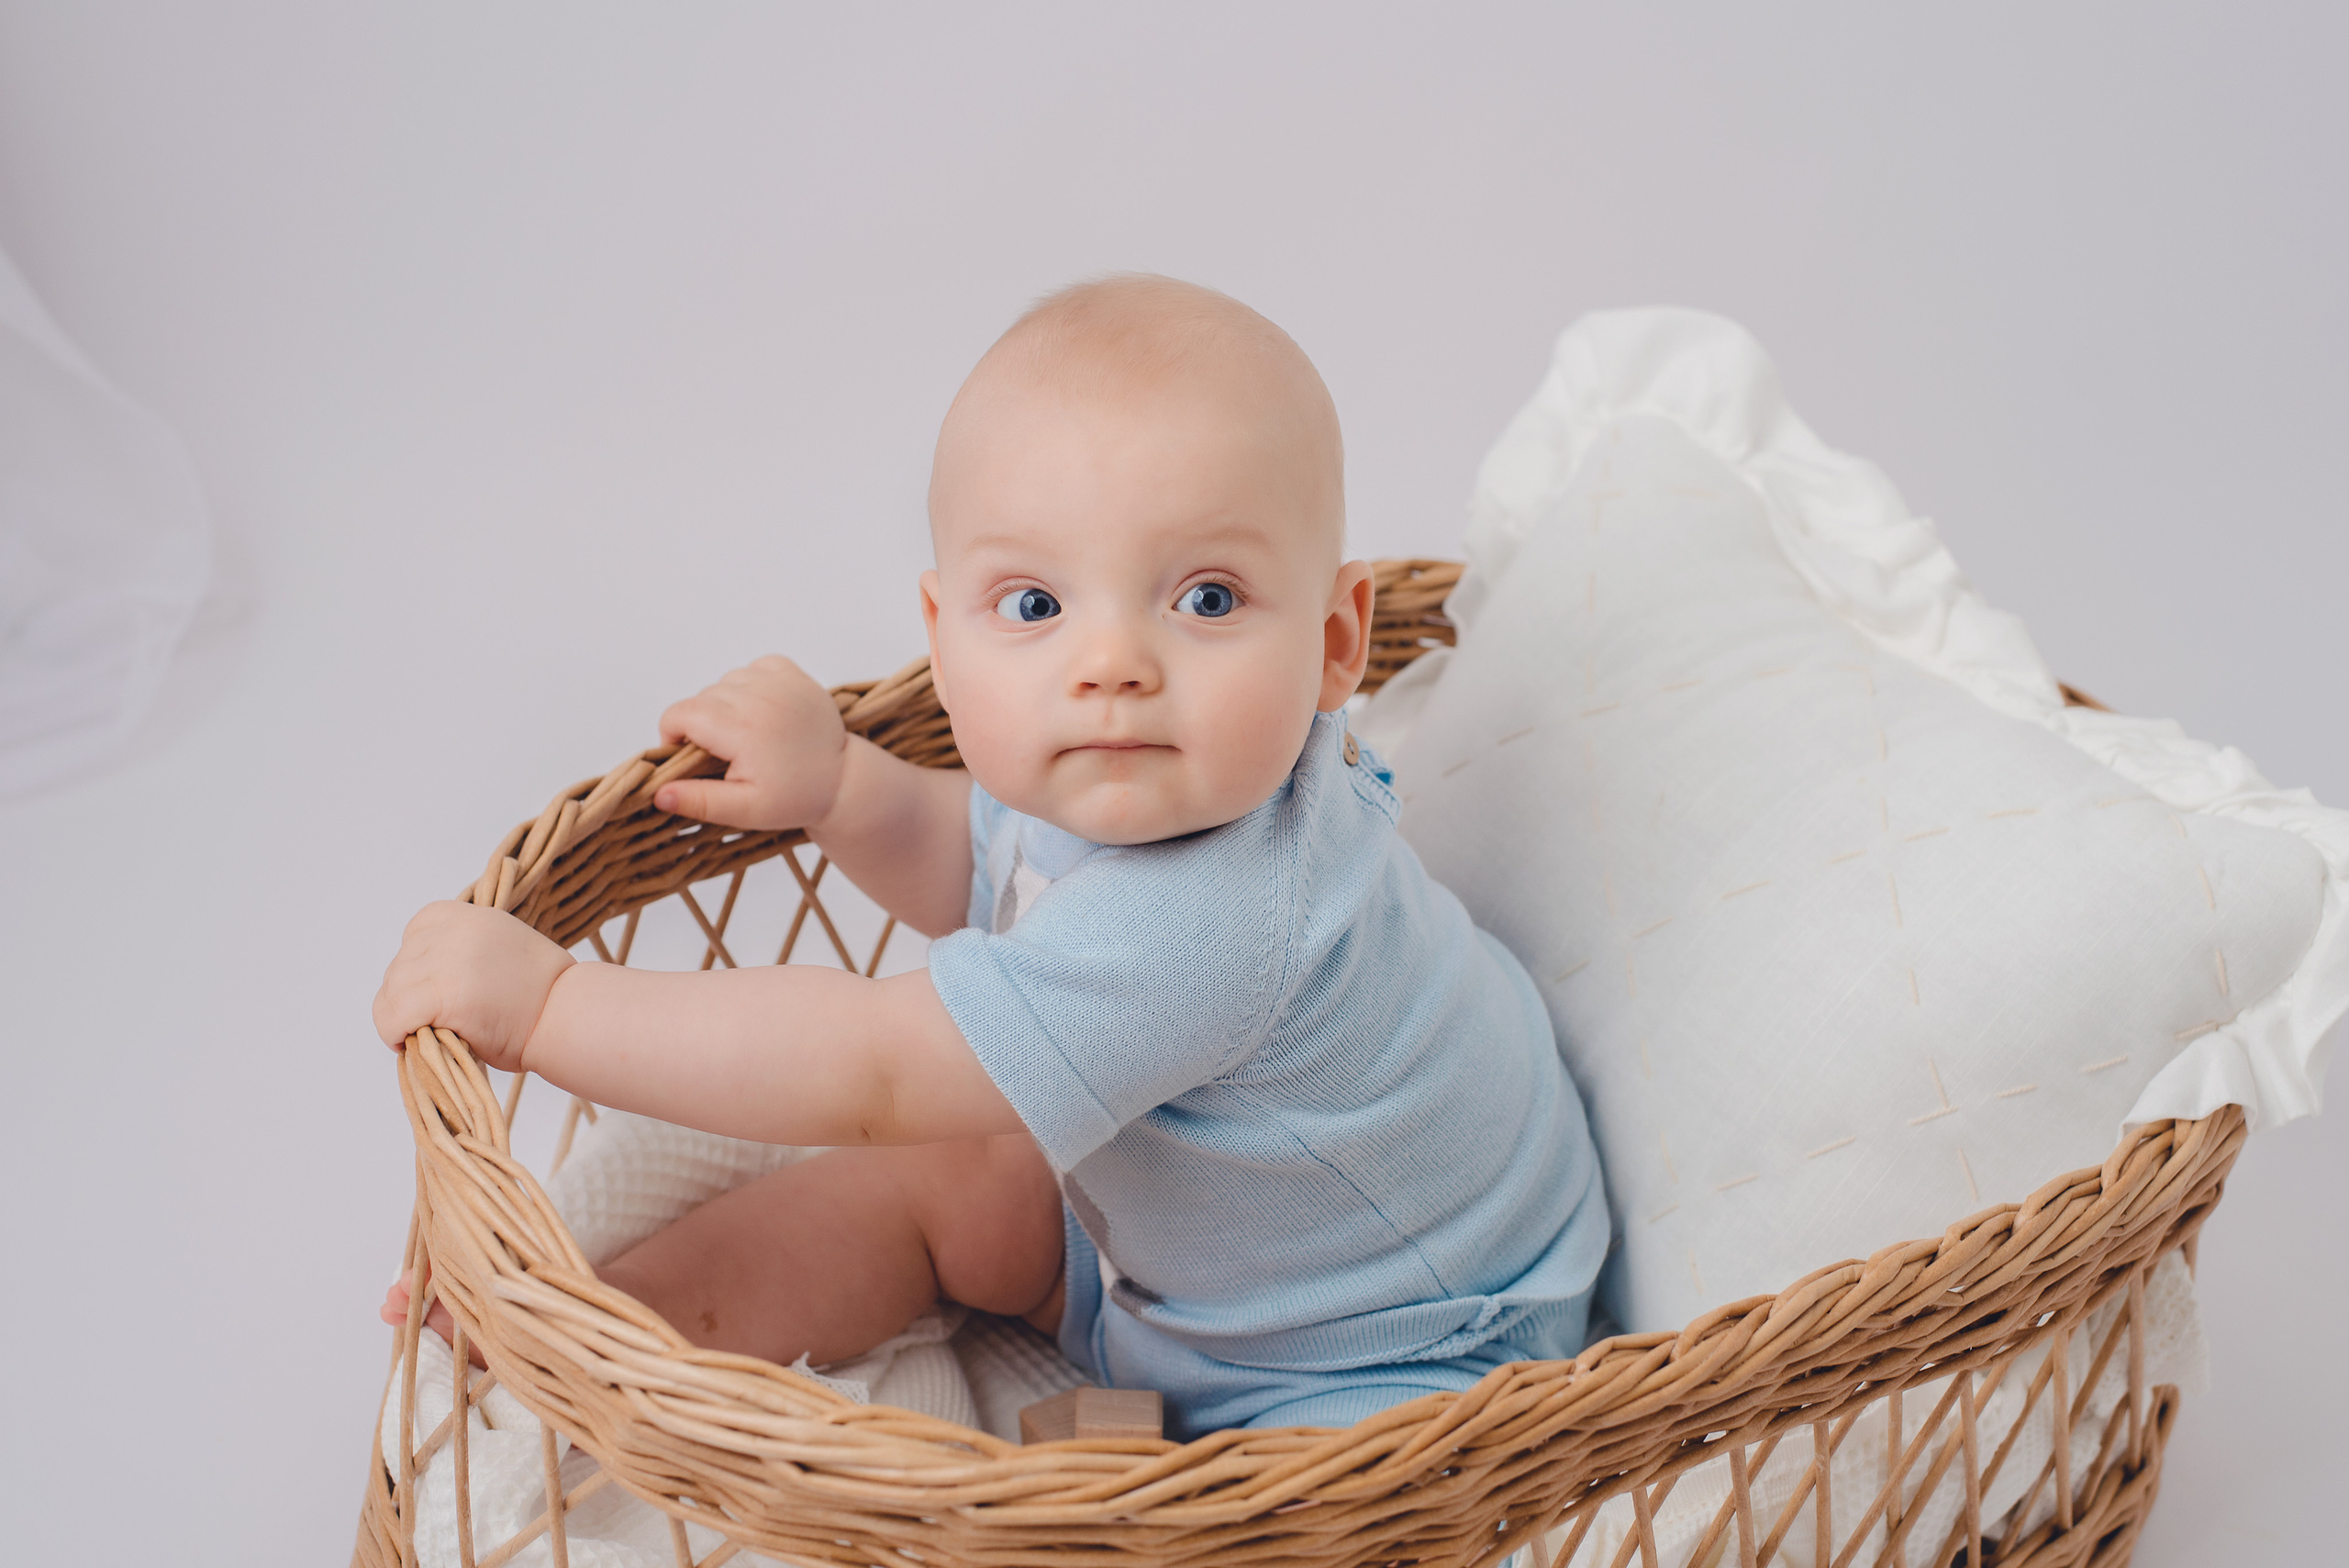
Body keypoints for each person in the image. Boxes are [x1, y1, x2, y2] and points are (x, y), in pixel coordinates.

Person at [374, 274, 1609, 1438]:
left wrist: (549, 1004)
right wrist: (847, 784)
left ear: (1339, 643)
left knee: (1257, 1523)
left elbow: (870, 1069)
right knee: (933, 1180)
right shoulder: (1118, 774)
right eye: (1034, 606)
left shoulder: (1221, 910)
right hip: (1176, 1244)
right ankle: (593, 1331)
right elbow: (978, 862)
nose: (1110, 661)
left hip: (1396, 1350)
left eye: (1209, 598)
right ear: (944, 636)